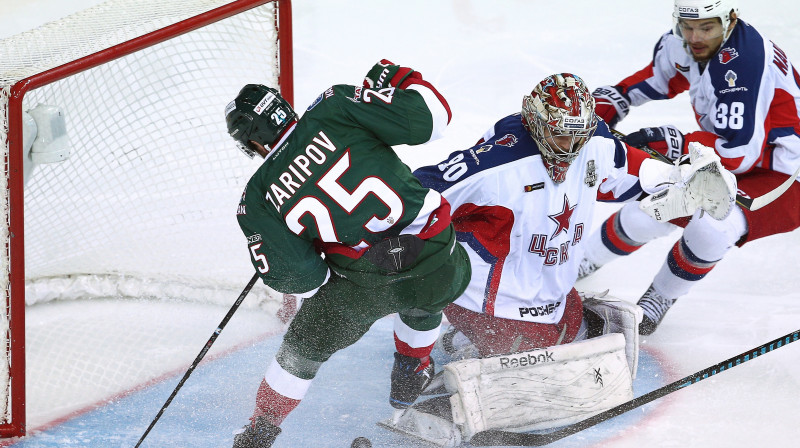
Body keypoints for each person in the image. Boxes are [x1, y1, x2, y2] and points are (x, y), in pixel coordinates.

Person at [382, 72, 736, 444]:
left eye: (579, 133)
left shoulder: (592, 141)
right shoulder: (498, 164)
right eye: (560, 134)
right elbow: (419, 192)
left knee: (599, 331)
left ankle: (469, 346)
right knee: (555, 376)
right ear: (535, 122)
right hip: (488, 304)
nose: (571, 146)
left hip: (550, 296)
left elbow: (639, 171)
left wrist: (691, 178)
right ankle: (458, 369)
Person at [225, 60, 472, 448]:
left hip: (365, 285)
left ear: (254, 143)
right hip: (443, 261)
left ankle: (260, 431)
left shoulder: (257, 197)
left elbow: (300, 279)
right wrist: (400, 79)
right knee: (424, 286)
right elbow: (432, 120)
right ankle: (411, 372)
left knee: (303, 347)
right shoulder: (334, 105)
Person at [581, 0, 800, 335]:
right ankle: (586, 260)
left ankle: (660, 298)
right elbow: (655, 78)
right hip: (724, 154)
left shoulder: (743, 64)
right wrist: (609, 102)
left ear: (730, 21)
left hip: (782, 174)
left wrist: (678, 144)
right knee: (649, 209)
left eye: (707, 27)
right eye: (688, 25)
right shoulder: (685, 42)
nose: (695, 37)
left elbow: (739, 152)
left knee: (712, 227)